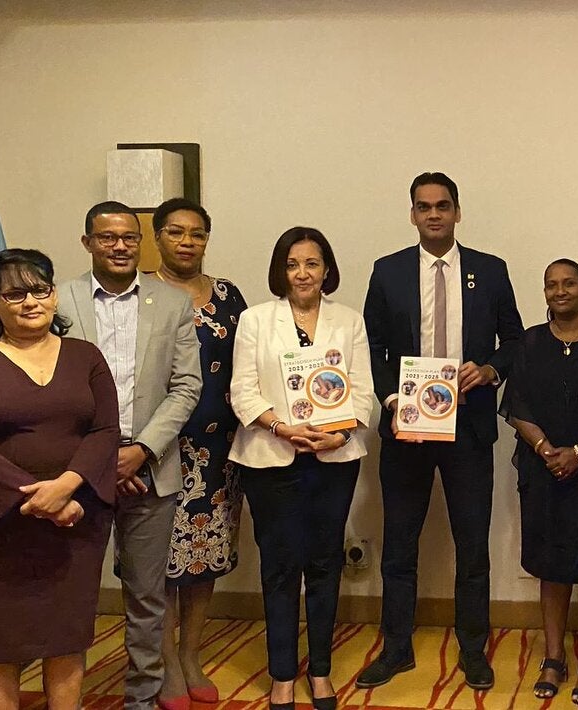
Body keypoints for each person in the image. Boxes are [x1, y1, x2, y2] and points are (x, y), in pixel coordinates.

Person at [359, 172, 523, 690]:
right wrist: (392, 399)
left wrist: (491, 369)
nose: (433, 214)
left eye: (443, 206)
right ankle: (397, 649)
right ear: (412, 214)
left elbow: (515, 340)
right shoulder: (387, 272)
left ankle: (473, 650)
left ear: (457, 212)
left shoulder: (490, 271)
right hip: (406, 429)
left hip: (468, 426)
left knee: (472, 547)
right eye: (424, 206)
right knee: (399, 546)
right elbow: (372, 347)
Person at [0, 249, 118, 709]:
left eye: (40, 290)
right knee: (1, 643)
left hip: (77, 518)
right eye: (15, 293)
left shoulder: (86, 356)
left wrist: (66, 487)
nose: (30, 302)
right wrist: (41, 497)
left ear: (54, 295)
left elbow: (105, 430)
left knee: (67, 637)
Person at [54, 202, 202, 710]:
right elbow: (49, 388)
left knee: (147, 598)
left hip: (151, 470)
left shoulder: (171, 302)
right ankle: (65, 696)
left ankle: (141, 698)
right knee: (70, 595)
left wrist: (139, 450)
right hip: (76, 474)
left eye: (129, 238)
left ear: (141, 243)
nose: (119, 246)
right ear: (87, 242)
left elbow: (186, 386)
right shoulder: (60, 302)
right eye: (107, 237)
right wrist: (99, 459)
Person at [229, 227, 375, 710]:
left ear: (326, 269)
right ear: (281, 270)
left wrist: (340, 432)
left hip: (333, 458)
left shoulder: (349, 321)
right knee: (279, 566)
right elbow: (243, 390)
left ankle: (322, 671)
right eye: (293, 264)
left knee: (324, 563)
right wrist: (282, 428)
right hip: (271, 458)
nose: (303, 273)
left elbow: (363, 390)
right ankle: (282, 674)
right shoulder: (254, 319)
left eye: (312, 263)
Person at [501, 258, 578, 704]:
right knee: (551, 567)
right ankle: (553, 656)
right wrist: (546, 449)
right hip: (542, 469)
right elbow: (516, 406)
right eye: (552, 285)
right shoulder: (530, 342)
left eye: (570, 283)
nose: (561, 291)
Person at [146, 198, 248, 706]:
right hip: (160, 449)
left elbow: (252, 362)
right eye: (176, 232)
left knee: (204, 559)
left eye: (198, 233)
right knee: (160, 560)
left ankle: (191, 655)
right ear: (158, 237)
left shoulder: (229, 296)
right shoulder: (141, 293)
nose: (188, 242)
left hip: (222, 449)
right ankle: (164, 664)